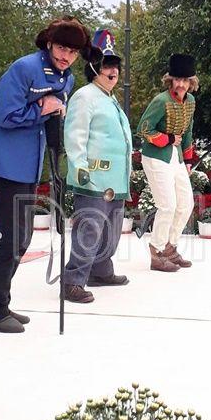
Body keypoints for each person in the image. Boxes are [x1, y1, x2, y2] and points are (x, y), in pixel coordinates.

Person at [0, 17, 88, 332]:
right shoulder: (24, 68)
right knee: (14, 237)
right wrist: (42, 108)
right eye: (62, 48)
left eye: (73, 51)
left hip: (30, 163)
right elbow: (5, 115)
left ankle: (0, 302)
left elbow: (53, 109)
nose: (66, 56)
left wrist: (55, 111)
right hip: (7, 162)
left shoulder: (66, 78)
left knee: (22, 238)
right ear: (50, 44)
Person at [62, 30, 132, 303]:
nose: (113, 71)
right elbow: (75, 136)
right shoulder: (85, 96)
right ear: (93, 68)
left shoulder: (109, 99)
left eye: (115, 65)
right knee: (89, 229)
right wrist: (79, 167)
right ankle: (73, 281)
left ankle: (101, 271)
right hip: (93, 178)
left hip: (115, 179)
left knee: (110, 231)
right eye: (106, 65)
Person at [137, 54, 198, 272]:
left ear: (191, 82)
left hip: (177, 158)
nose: (181, 84)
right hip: (155, 157)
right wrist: (169, 139)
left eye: (185, 80)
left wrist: (188, 160)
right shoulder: (161, 101)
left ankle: (170, 248)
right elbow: (143, 129)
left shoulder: (191, 102)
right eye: (177, 79)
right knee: (167, 205)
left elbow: (188, 131)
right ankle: (156, 251)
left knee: (186, 203)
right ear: (170, 80)